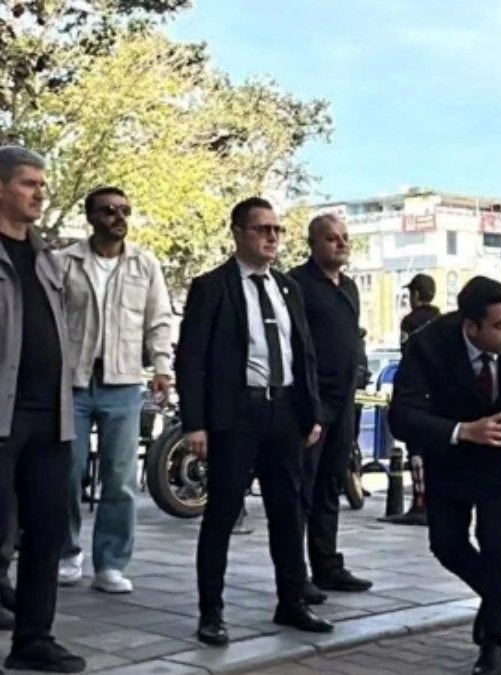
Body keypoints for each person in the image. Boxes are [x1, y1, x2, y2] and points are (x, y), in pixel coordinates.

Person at [176, 197, 333, 646]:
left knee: (288, 511)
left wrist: (312, 413)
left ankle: (292, 600)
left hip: (284, 413)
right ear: (239, 233)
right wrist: (194, 423)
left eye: (277, 230)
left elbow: (303, 352)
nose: (271, 237)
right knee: (222, 513)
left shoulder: (288, 288)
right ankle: (211, 611)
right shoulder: (213, 286)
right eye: (262, 229)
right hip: (236, 414)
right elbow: (191, 358)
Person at [387, 276, 501, 675]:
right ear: (471, 327)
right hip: (451, 457)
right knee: (446, 543)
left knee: (494, 540)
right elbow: (402, 415)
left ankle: (493, 643)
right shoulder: (429, 346)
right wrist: (463, 431)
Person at [56, 186, 174, 594]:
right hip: (72, 381)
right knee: (67, 473)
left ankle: (110, 563)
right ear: (91, 217)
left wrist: (162, 367)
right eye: (108, 210)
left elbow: (159, 320)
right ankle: (66, 553)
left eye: (125, 210)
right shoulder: (65, 262)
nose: (118, 217)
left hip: (122, 382)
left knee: (120, 478)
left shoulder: (145, 264)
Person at [0, 145, 87, 672]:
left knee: (47, 531)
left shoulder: (47, 259)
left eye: (42, 184)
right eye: (28, 183)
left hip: (51, 415)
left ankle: (33, 639)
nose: (40, 194)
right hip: (3, 416)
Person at [289, 214, 374, 598]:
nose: (341, 244)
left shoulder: (350, 287)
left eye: (344, 237)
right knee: (301, 490)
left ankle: (328, 565)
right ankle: (294, 574)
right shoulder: (296, 284)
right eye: (332, 238)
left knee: (330, 485)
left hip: (344, 402)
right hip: (312, 401)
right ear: (313, 243)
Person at [395, 272, 442, 526]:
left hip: (414, 391)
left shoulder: (409, 322)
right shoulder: (442, 320)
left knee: (415, 447)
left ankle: (419, 501)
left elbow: (405, 352)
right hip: (438, 392)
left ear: (415, 295)